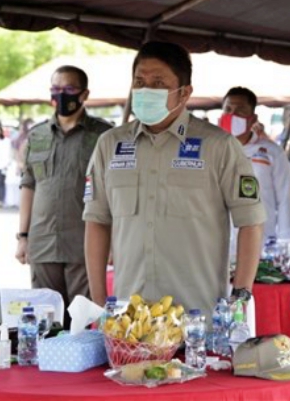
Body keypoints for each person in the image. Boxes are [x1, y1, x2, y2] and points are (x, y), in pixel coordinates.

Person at [83, 42, 266, 315]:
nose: (146, 90)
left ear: (184, 93)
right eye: (139, 82)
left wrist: (239, 300)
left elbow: (251, 222)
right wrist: (98, 303)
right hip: (129, 323)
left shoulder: (218, 145)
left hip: (198, 321)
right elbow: (97, 221)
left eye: (158, 83)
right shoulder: (110, 144)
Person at [16, 66, 112, 328]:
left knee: (81, 323)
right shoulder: (37, 135)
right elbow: (29, 184)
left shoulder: (104, 135)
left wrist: (112, 242)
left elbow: (113, 190)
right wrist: (23, 237)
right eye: (56, 89)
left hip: (85, 243)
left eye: (68, 89)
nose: (61, 95)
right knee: (46, 322)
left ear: (84, 94)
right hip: (43, 242)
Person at [220, 87, 290, 244]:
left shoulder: (271, 151)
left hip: (262, 239)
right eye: (228, 109)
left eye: (240, 110)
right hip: (220, 239)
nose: (232, 115)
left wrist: (285, 239)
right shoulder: (211, 149)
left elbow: (284, 198)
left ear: (252, 117)